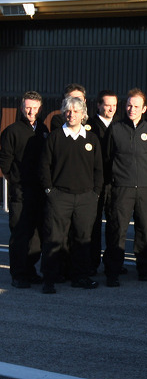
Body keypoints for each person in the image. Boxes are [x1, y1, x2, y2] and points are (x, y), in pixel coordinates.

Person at [39, 96, 103, 293]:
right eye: (68, 110)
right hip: (60, 198)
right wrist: (50, 190)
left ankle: (80, 277)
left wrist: (95, 194)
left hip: (86, 199)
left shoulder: (91, 139)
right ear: (63, 112)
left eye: (76, 111)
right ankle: (49, 279)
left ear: (83, 114)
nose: (71, 114)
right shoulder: (55, 137)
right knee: (54, 238)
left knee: (83, 239)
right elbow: (44, 166)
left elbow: (98, 170)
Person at [104, 89, 147, 285]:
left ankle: (145, 269)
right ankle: (112, 271)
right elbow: (108, 156)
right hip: (122, 187)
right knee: (117, 230)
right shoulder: (116, 128)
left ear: (144, 108)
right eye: (129, 105)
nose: (132, 109)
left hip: (145, 187)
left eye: (136, 106)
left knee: (145, 230)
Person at [0, 91, 47, 288]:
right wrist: (16, 181)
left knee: (36, 236)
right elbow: (5, 162)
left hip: (40, 192)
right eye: (28, 107)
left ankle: (30, 270)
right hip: (20, 192)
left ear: (40, 108)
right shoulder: (12, 131)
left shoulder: (43, 129)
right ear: (21, 107)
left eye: (35, 108)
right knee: (20, 234)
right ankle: (18, 274)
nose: (31, 111)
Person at [86, 90, 118, 275]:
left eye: (114, 105)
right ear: (98, 105)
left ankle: (112, 264)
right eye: (107, 105)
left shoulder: (120, 126)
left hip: (115, 184)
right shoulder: (89, 126)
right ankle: (91, 263)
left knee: (115, 225)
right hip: (95, 183)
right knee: (94, 224)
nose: (111, 108)